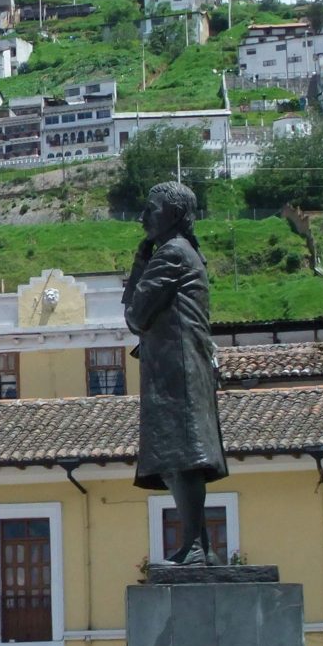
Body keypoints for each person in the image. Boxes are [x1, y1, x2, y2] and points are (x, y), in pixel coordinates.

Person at [123, 181, 226, 565]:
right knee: (175, 458)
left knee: (182, 456)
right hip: (174, 366)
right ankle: (196, 543)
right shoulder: (177, 253)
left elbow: (135, 314)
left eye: (151, 209)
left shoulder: (172, 255)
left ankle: (197, 546)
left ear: (174, 213)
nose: (142, 217)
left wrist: (139, 263)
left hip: (177, 368)